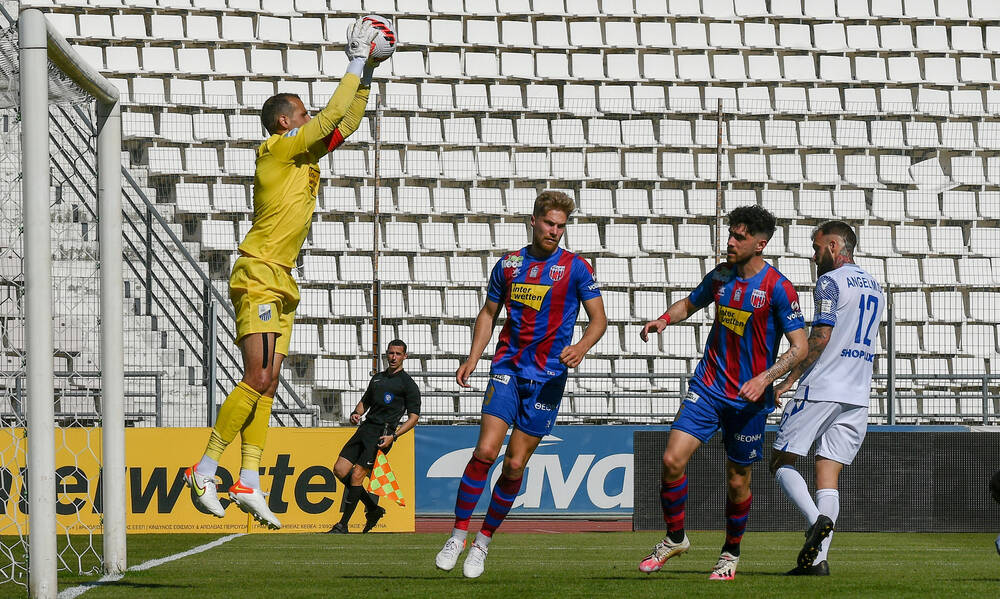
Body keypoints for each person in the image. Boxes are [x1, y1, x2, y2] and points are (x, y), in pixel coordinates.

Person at [183, 19, 383, 529]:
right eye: (302, 113)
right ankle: (205, 468)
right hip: (259, 275)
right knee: (257, 376)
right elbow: (333, 115)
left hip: (281, 280)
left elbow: (345, 122)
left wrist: (368, 77)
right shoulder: (277, 151)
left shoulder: (304, 154)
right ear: (282, 124)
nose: (310, 117)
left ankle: (248, 479)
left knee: (268, 385)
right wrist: (354, 61)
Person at [434, 191, 607, 579]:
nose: (556, 232)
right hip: (507, 369)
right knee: (485, 451)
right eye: (550, 224)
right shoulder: (509, 264)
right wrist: (473, 357)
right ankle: (457, 535)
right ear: (534, 220)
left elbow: (599, 320)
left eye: (562, 226)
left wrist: (580, 347)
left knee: (513, 465)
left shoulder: (577, 268)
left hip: (547, 380)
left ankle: (483, 544)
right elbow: (489, 312)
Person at [636, 205, 808, 581]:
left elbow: (800, 346)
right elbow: (689, 302)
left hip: (748, 400)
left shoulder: (778, 288)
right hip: (709, 387)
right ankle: (675, 537)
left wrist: (765, 379)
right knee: (671, 460)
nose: (730, 241)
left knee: (737, 480)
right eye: (730, 234)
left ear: (760, 244)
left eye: (739, 237)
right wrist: (664, 319)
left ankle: (730, 553)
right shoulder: (721, 277)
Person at [769, 221, 884, 576]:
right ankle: (817, 562)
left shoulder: (830, 282)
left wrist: (788, 379)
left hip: (822, 387)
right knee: (827, 474)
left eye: (817, 247)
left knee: (781, 461)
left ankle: (815, 521)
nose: (813, 254)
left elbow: (819, 337)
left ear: (834, 247)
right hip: (858, 394)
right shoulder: (876, 287)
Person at [327, 340, 420, 534]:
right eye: (391, 353)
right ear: (387, 354)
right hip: (365, 428)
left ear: (405, 356)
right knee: (340, 469)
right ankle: (373, 508)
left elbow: (413, 418)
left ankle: (342, 525)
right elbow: (365, 401)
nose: (393, 357)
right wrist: (356, 413)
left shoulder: (408, 384)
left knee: (358, 475)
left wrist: (394, 436)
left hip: (383, 434)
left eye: (398, 354)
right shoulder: (377, 379)